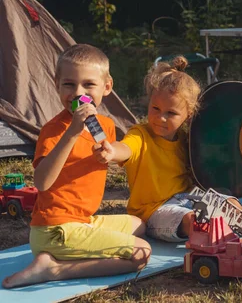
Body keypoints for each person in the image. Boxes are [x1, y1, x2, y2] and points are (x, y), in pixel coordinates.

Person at [2, 44, 150, 289]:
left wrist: (109, 155)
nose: (78, 93)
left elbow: (114, 155)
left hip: (82, 219)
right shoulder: (53, 131)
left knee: (138, 224)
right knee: (141, 254)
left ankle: (70, 251)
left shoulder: (104, 125)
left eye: (88, 85)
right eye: (69, 85)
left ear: (107, 86)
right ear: (57, 84)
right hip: (53, 229)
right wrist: (72, 133)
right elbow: (41, 182)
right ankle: (54, 269)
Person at [93, 56, 242, 242]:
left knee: (230, 205)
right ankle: (229, 242)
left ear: (188, 116)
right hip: (153, 210)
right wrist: (112, 152)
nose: (160, 118)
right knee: (194, 221)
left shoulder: (186, 139)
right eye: (155, 108)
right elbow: (126, 148)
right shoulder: (140, 135)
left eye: (170, 113)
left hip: (189, 198)